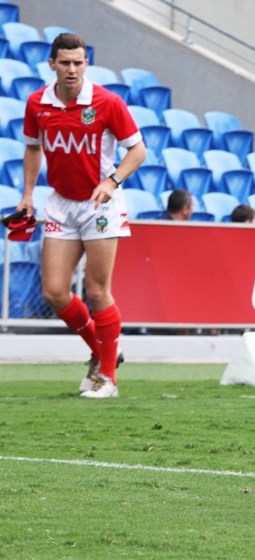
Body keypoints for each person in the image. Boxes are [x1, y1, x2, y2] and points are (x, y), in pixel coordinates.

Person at [16, 33, 146, 399]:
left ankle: (107, 378)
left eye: (78, 62)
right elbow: (31, 149)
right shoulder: (36, 103)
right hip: (60, 202)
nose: (72, 69)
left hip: (99, 206)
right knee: (55, 292)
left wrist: (113, 180)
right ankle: (106, 350)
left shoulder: (107, 102)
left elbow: (138, 151)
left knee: (96, 290)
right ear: (51, 65)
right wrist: (27, 195)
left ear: (86, 64)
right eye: (65, 62)